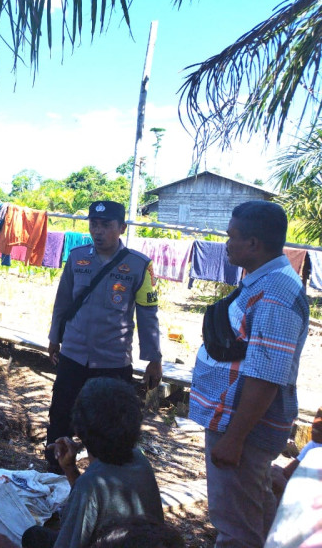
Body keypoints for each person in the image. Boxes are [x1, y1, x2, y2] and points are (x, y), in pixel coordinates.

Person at [188, 200, 309, 548]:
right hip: (235, 424)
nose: (226, 243)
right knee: (253, 514)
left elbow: (266, 376)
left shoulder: (274, 294)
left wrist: (235, 438)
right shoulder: (264, 281)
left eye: (232, 236)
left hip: (243, 429)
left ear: (253, 244)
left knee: (235, 528)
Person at [44, 200, 161, 472]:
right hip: (73, 355)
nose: (98, 231)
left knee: (110, 424)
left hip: (113, 360)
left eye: (106, 225)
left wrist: (154, 358)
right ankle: (54, 471)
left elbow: (148, 314)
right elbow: (62, 302)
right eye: (93, 224)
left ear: (121, 227)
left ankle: (105, 478)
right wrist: (54, 337)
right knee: (61, 416)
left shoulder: (140, 266)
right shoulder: (77, 257)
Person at [0, 378, 164, 548]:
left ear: (78, 428)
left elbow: (90, 498)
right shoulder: (138, 459)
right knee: (34, 536)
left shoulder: (90, 485)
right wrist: (69, 468)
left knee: (30, 539)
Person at [271, 407, 322, 497]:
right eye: (318, 415)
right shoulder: (315, 444)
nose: (318, 422)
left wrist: (284, 484)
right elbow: (288, 472)